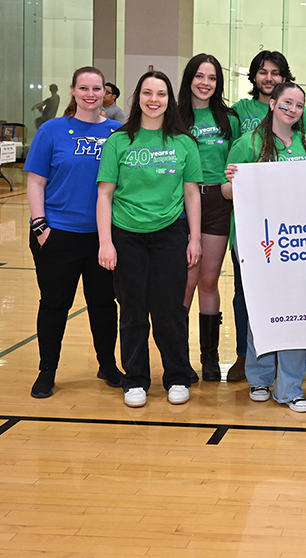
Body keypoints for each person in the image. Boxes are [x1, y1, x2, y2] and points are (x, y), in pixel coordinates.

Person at [96, 71, 202, 409]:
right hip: (126, 236)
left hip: (170, 235)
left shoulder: (184, 143)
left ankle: (177, 376)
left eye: (161, 94)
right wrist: (105, 242)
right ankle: (136, 379)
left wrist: (194, 239)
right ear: (137, 97)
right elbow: (104, 195)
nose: (153, 100)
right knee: (133, 310)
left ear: (170, 100)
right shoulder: (119, 141)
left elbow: (192, 194)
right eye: (147, 93)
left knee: (170, 310)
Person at [23, 66, 123, 399]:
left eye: (97, 88)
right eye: (84, 88)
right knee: (54, 304)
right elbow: (36, 181)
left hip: (102, 237)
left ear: (105, 92)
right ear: (73, 90)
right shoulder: (52, 131)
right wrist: (40, 225)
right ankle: (47, 370)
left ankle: (107, 364)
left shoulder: (119, 133)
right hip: (58, 235)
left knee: (104, 304)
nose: (91, 94)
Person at [223, 81, 306, 413]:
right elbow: (226, 192)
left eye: (299, 104)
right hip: (256, 241)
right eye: (286, 102)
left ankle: (291, 387)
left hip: (297, 241)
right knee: (261, 311)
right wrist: (235, 181)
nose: (292, 109)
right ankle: (260, 377)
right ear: (273, 103)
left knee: (296, 312)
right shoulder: (247, 143)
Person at [177, 54, 242, 383]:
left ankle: (210, 358)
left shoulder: (228, 118)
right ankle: (178, 357)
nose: (205, 83)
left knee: (208, 281)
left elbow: (241, 159)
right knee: (185, 282)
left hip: (218, 202)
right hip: (182, 202)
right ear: (189, 78)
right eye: (200, 76)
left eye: (212, 78)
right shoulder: (174, 117)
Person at [232, 50, 306, 142]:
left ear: (284, 78)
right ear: (254, 77)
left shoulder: (298, 111)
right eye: (263, 73)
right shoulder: (240, 109)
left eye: (275, 73)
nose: (269, 78)